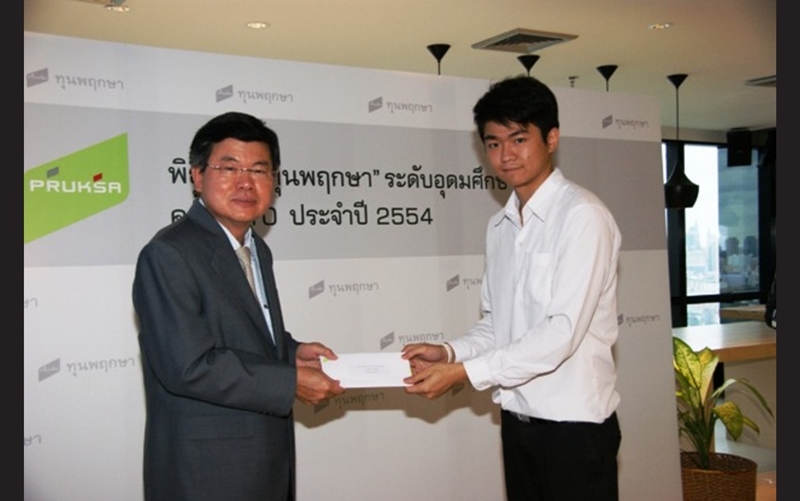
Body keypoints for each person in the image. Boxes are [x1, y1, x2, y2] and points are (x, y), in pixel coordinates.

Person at [402, 76, 623, 501]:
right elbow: (497, 324)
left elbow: (561, 331)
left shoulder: (582, 216)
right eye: (494, 143)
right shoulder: (499, 227)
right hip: (518, 422)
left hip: (574, 430)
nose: (506, 155)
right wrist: (449, 353)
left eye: (519, 139)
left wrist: (464, 373)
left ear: (551, 138)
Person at [133, 111, 345, 501]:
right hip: (207, 472)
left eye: (260, 170)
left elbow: (239, 332)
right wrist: (288, 381)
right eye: (229, 168)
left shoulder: (256, 248)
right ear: (197, 176)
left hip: (265, 461)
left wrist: (292, 352)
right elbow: (187, 366)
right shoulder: (169, 253)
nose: (246, 182)